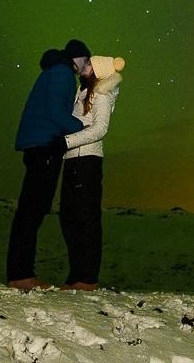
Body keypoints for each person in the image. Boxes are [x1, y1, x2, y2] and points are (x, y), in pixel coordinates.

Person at [6, 38, 92, 290]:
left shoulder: (55, 71)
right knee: (32, 210)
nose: (86, 64)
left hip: (37, 143)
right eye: (85, 59)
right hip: (44, 145)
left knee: (31, 209)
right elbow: (55, 112)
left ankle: (20, 274)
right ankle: (21, 275)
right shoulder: (63, 73)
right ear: (76, 57)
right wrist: (80, 128)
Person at [58, 54, 125, 290]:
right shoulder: (83, 93)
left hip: (87, 161)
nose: (84, 65)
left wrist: (65, 142)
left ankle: (86, 278)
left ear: (98, 70)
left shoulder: (102, 95)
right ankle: (77, 275)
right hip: (73, 160)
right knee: (69, 218)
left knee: (85, 220)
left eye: (90, 64)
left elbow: (100, 129)